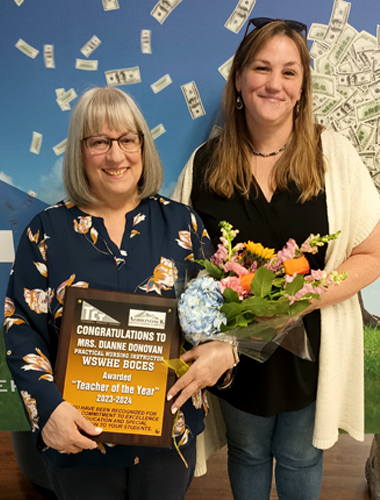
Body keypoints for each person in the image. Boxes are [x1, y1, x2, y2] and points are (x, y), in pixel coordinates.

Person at [168, 17, 380, 500]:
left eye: (289, 72)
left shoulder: (333, 156)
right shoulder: (206, 162)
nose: (274, 83)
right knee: (246, 453)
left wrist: (301, 300)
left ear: (303, 86)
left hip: (311, 347)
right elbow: (180, 264)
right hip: (235, 353)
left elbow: (373, 252)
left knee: (303, 454)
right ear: (239, 80)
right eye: (262, 68)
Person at [3, 86, 231, 500]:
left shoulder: (183, 226)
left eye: (127, 139)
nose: (116, 155)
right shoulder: (45, 232)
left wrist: (225, 350)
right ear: (79, 151)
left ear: (143, 145)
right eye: (99, 142)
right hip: (79, 442)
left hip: (168, 438)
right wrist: (47, 408)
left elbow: (216, 319)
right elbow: (21, 327)